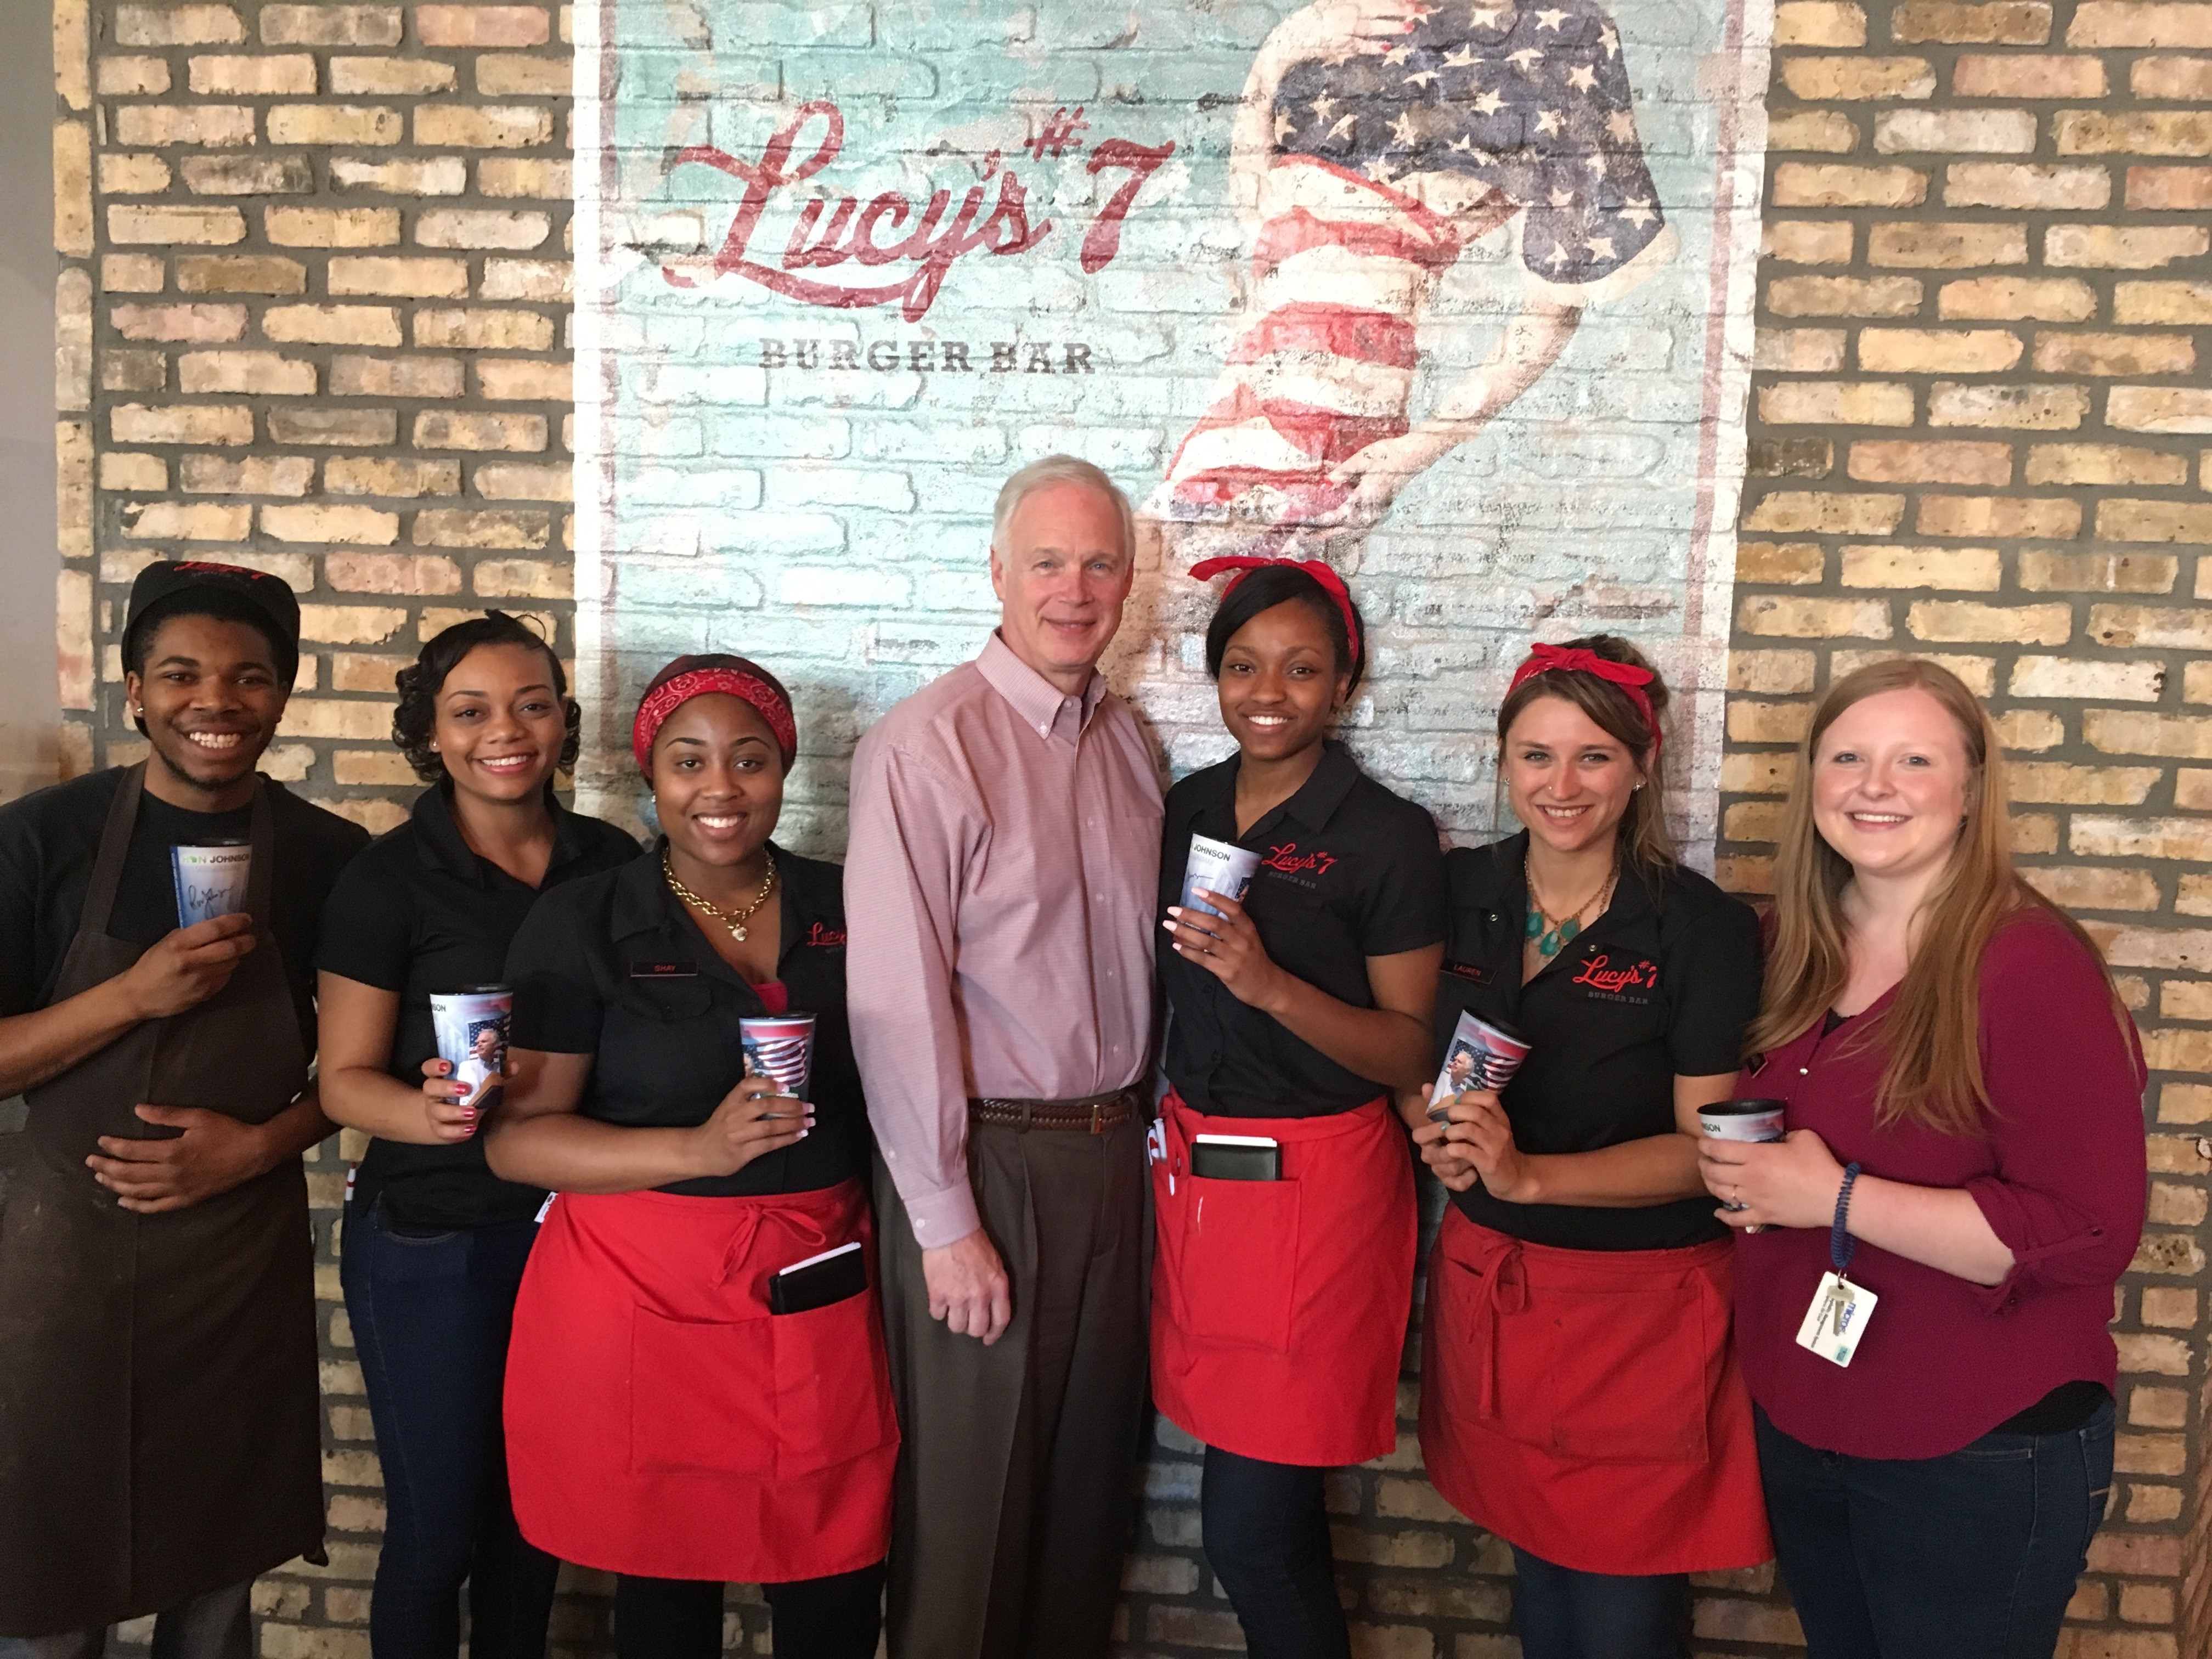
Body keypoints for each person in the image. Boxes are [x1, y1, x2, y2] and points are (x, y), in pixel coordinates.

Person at [1700, 659, 2147, 1659]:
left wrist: (1834, 1194)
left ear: (1971, 789)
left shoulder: (2028, 964)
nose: (1874, 784)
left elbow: (2087, 1231)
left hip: (1976, 1439)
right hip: (1808, 1410)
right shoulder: (1786, 946)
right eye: (1847, 756)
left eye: (1913, 759)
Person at [483, 656, 895, 1659]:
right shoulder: (585, 919)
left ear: (785, 768)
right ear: (650, 774)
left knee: (836, 1571)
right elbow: (516, 1141)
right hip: (643, 1295)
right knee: (664, 1586)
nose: (720, 788)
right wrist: (697, 1148)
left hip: (815, 1285)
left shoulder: (855, 905)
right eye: (688, 760)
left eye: (748, 759)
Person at [0, 561, 369, 1657]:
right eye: (181, 674)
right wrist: (132, 996)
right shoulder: (39, 840)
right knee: (44, 1575)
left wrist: (259, 1146)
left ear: (283, 694)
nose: (216, 700)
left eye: (249, 676)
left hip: (230, 1269)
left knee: (213, 1588)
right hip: (53, 1268)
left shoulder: (326, 858)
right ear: (133, 689)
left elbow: (351, 1076)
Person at [845, 455, 1163, 1659]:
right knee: (970, 1523)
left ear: (1128, 583)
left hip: (1110, 1163)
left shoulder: (1130, 746)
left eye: (1096, 564)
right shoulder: (927, 748)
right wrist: (943, 1217)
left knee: (1086, 1513)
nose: (1073, 590)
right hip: (986, 1168)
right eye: (1047, 563)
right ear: (997, 573)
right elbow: (895, 1000)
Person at [1411, 636, 1770, 1659]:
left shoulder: (1698, 926)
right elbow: (1407, 1047)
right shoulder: (1459, 889)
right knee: (1541, 1572)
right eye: (1534, 755)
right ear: (1502, 761)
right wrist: (1432, 1129)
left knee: (1620, 1606)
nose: (1559, 785)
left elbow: (1712, 1147)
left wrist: (1527, 1174)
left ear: (1642, 763)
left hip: (1636, 1308)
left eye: (1592, 757)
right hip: (1496, 1286)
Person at [315, 613, 640, 1659]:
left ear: (562, 720)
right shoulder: (388, 877)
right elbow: (343, 1081)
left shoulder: (615, 860)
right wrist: (432, 1113)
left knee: (531, 1526)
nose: (507, 730)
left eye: (532, 703)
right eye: (471, 710)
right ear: (432, 733)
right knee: (438, 1529)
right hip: (433, 1240)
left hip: (574, 1239)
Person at [1153, 558, 1443, 1659]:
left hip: (1320, 1194)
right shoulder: (1186, 806)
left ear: (1343, 686)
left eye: (1301, 668)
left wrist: (1266, 981)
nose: (1267, 690)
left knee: (1252, 1528)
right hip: (1200, 1178)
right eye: (1241, 665)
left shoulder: (1386, 835)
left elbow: (1408, 1044)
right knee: (1253, 1514)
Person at [1155, 0, 1673, 557]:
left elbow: (1552, 308)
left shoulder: (1566, 37)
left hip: (1340, 410)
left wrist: (1420, 448)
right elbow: (1256, 210)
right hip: (1243, 387)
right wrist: (1279, 49)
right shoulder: (1347, 14)